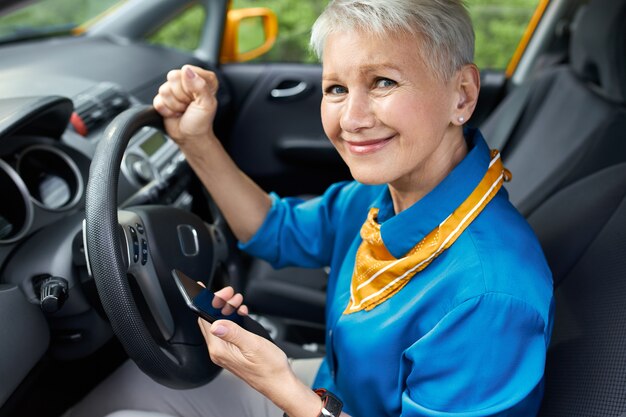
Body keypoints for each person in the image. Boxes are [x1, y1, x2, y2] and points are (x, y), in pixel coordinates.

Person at [67, 0, 554, 416]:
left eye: (383, 82)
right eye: (337, 89)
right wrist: (198, 141)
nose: (352, 119)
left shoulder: (489, 297)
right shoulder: (382, 192)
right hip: (331, 394)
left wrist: (282, 387)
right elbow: (275, 229)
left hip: (314, 401)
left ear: (462, 95)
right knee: (138, 386)